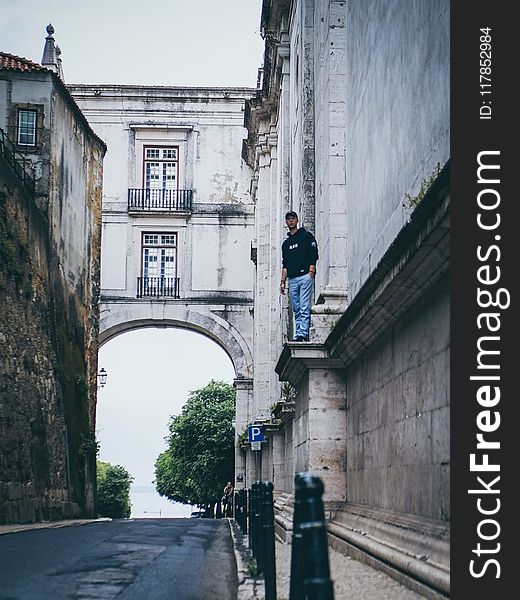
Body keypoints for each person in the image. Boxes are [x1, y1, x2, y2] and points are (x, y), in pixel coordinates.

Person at [280, 211, 319, 341]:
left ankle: (303, 333)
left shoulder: (306, 236)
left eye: (293, 219)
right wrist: (282, 282)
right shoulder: (285, 244)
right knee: (296, 308)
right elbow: (285, 264)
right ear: (286, 222)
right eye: (288, 219)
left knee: (304, 306)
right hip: (292, 279)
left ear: (297, 220)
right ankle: (299, 334)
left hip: (304, 276)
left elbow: (314, 253)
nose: (290, 221)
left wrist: (311, 270)